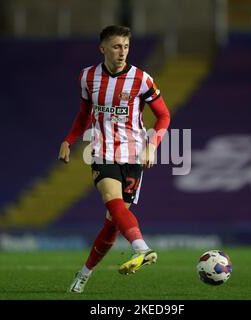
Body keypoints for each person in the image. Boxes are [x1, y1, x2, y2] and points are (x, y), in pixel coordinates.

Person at [59, 25, 170, 293]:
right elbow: (84, 114)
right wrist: (68, 140)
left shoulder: (141, 79)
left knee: (113, 222)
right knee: (114, 201)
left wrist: (151, 146)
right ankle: (141, 247)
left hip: (133, 153)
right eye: (117, 46)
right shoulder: (87, 77)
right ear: (103, 48)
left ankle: (84, 273)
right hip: (102, 150)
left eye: (126, 47)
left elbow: (164, 116)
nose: (122, 52)